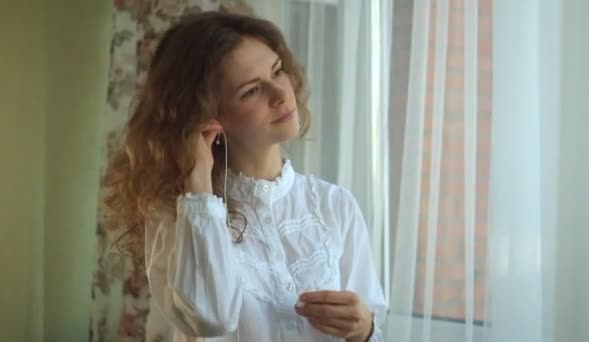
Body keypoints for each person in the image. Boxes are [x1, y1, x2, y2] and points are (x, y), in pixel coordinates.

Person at [103, 10, 386, 342]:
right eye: (251, 91)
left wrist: (365, 329)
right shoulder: (180, 214)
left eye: (278, 71)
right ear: (208, 115)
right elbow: (211, 320)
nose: (281, 93)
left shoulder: (335, 206)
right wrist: (198, 182)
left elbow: (375, 324)